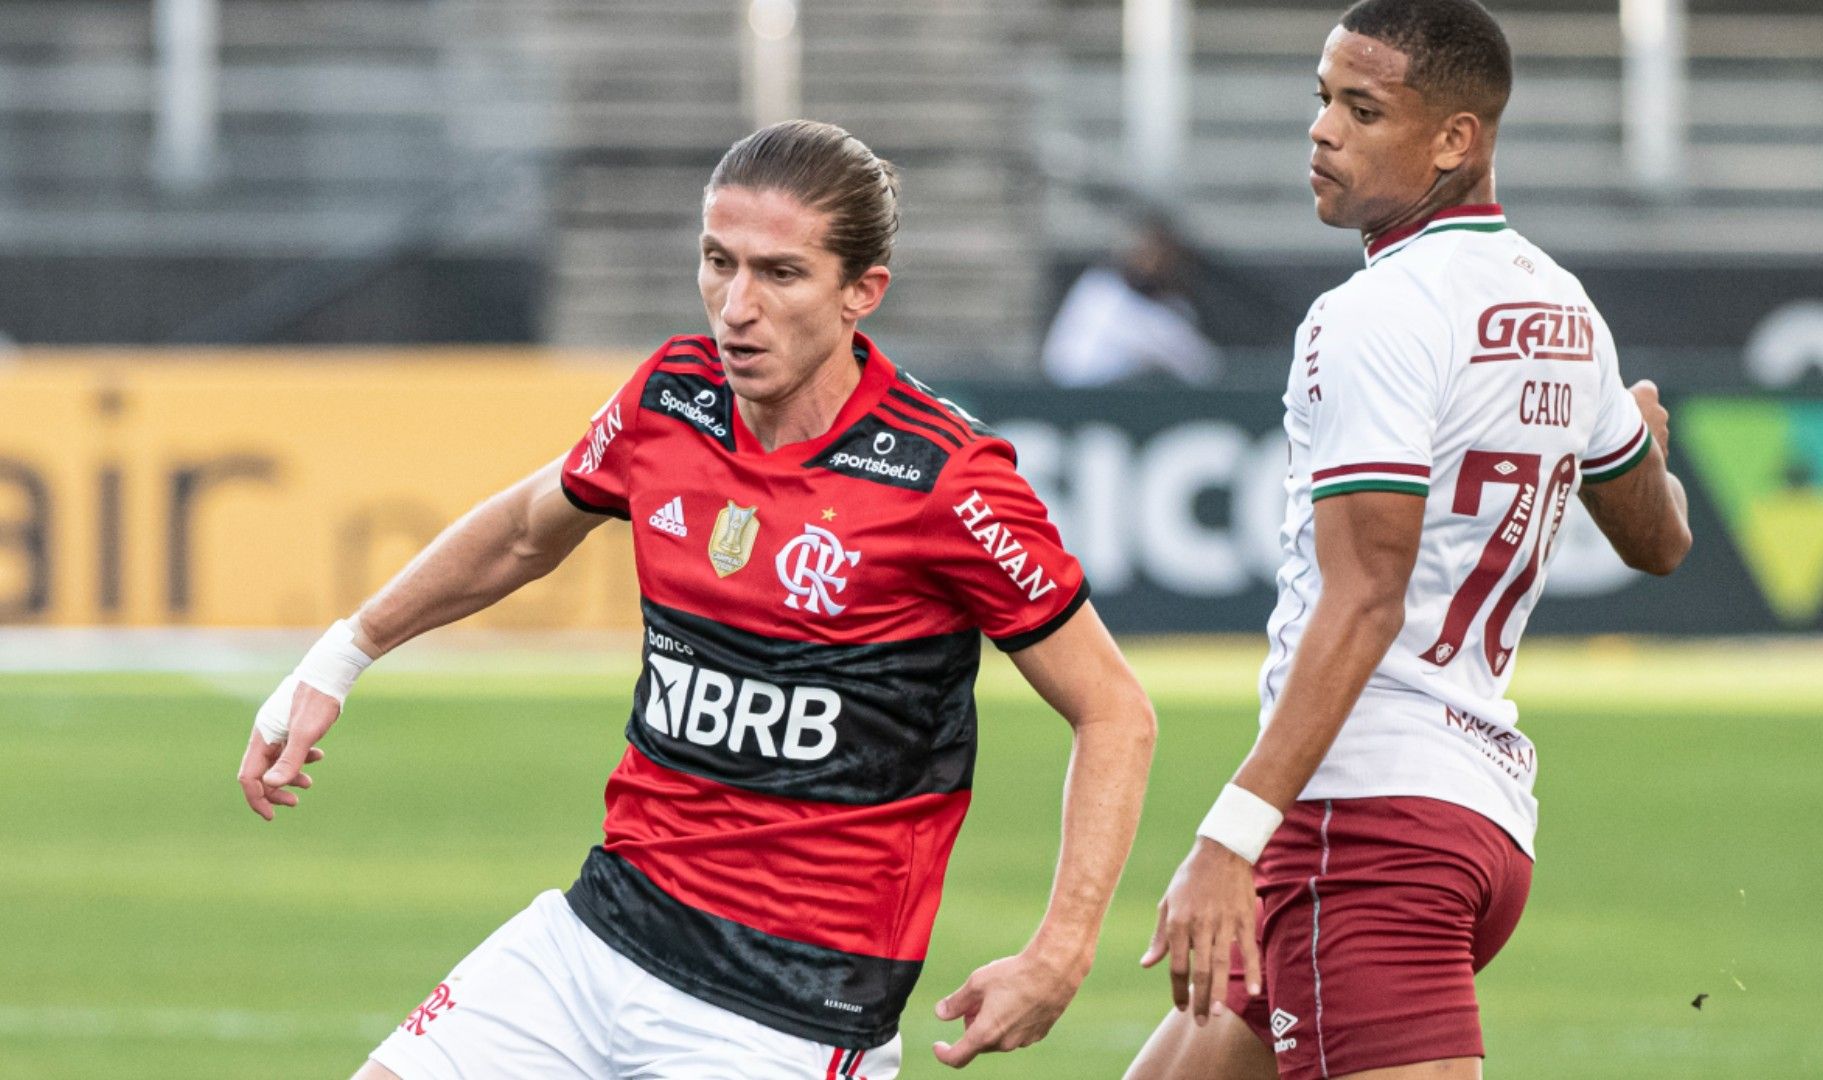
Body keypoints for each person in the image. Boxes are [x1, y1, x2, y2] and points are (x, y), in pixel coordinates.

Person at [237, 119, 1157, 1080]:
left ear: (862, 292)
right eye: (719, 262)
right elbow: (523, 531)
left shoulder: (944, 479)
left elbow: (1115, 711)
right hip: (598, 936)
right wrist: (342, 654)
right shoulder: (672, 399)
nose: (738, 307)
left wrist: (1061, 949)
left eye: (781, 273)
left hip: (786, 1010)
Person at [1125, 2, 1692, 1078]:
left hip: (1367, 829)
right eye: (1323, 101)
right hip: (1473, 815)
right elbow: (1659, 540)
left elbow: (1366, 598)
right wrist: (1644, 452)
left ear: (1454, 139)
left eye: (1363, 109)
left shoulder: (1374, 313)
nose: (1322, 130)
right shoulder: (1564, 308)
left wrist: (1228, 837)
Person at [1041, 214, 1221, 388]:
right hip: (1076, 397)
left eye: (1163, 255)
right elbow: (1198, 362)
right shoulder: (1102, 290)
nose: (1154, 262)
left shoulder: (1168, 303)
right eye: (1147, 252)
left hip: (1117, 398)